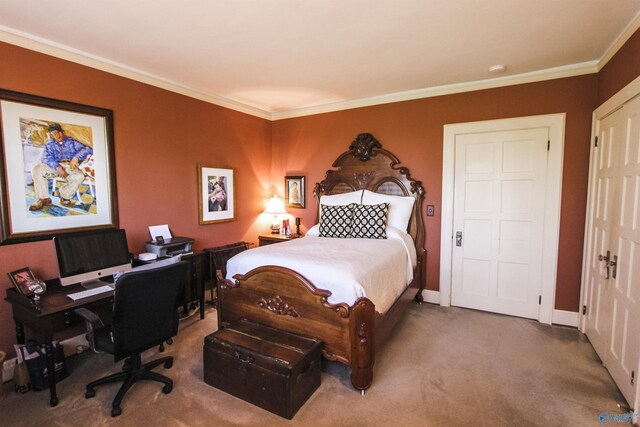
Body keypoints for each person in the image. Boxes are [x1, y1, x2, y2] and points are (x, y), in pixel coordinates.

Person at [29, 123, 93, 211]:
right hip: (54, 166)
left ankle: (64, 194)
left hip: (69, 165)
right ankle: (44, 199)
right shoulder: (49, 144)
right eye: (54, 133)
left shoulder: (72, 142)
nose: (57, 135)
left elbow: (88, 149)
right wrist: (57, 167)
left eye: (58, 132)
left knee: (80, 176)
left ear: (63, 132)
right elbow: (45, 158)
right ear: (51, 135)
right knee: (36, 169)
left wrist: (76, 157)